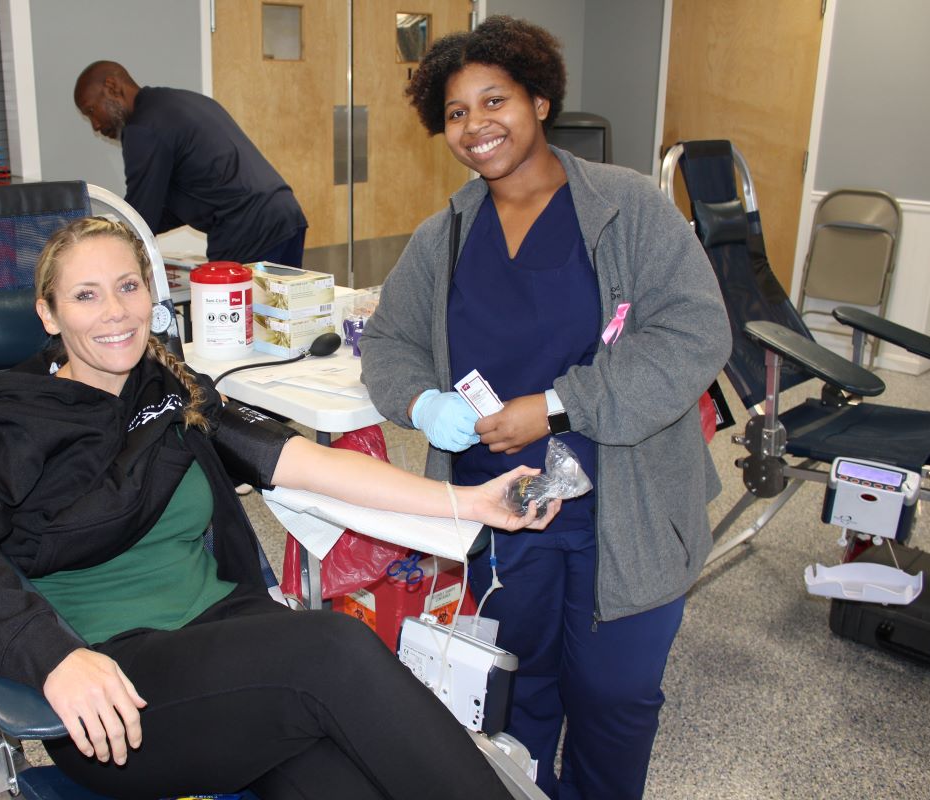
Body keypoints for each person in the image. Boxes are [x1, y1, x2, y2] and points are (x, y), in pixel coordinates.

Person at [0, 216, 563, 800]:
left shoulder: (169, 389)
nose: (115, 312)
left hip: (228, 640)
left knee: (343, 771)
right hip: (114, 688)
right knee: (333, 650)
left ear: (152, 294)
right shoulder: (6, 425)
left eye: (128, 287)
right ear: (48, 314)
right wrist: (53, 658)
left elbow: (309, 463)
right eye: (86, 295)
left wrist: (468, 502)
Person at [358, 16, 731, 800]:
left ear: (539, 101)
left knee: (614, 697)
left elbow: (696, 333)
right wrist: (423, 403)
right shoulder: (446, 235)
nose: (476, 125)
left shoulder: (626, 209)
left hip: (624, 506)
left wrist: (559, 406)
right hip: (502, 510)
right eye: (456, 112)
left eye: (494, 101)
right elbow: (389, 340)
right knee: (516, 687)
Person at [74, 61, 308, 267]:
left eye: (92, 110)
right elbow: (180, 202)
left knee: (226, 304)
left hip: (246, 229)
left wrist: (98, 251)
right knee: (282, 305)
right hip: (285, 215)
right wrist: (117, 225)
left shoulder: (143, 129)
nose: (95, 125)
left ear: (112, 87)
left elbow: (141, 217)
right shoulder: (182, 103)